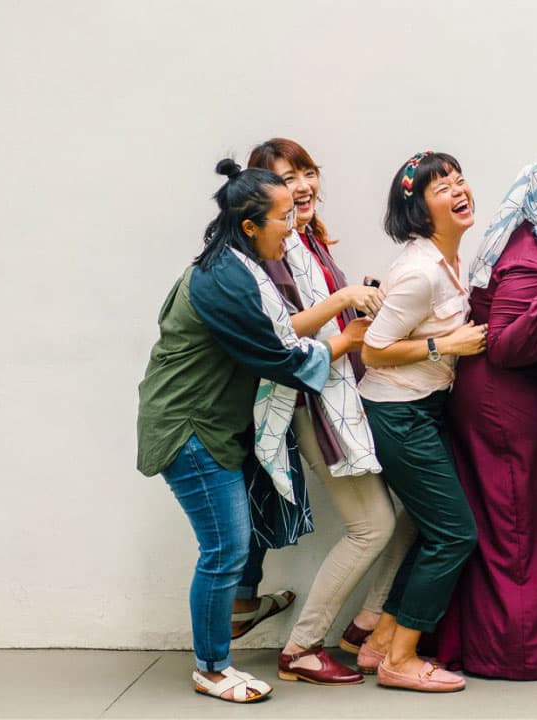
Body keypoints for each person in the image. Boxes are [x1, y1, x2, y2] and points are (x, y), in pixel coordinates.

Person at [135, 159, 366, 703]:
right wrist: (346, 338)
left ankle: (222, 647)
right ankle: (212, 669)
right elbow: (281, 357)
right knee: (224, 549)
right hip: (188, 429)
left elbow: (279, 331)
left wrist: (336, 312)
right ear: (249, 225)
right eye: (285, 216)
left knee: (227, 548)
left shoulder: (239, 266)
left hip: (208, 424)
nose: (293, 225)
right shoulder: (227, 281)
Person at [435, 154, 537, 679]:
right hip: (504, 402)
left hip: (507, 398)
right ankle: (518, 655)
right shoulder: (534, 257)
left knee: (523, 522)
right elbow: (505, 344)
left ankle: (516, 645)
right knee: (521, 528)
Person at [354, 151, 487, 693]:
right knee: (455, 535)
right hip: (397, 412)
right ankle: (401, 660)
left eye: (459, 179)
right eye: (441, 187)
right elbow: (374, 349)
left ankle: (380, 641)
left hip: (424, 408)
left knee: (439, 529)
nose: (458, 190)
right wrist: (444, 344)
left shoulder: (448, 258)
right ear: (418, 208)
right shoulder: (420, 271)